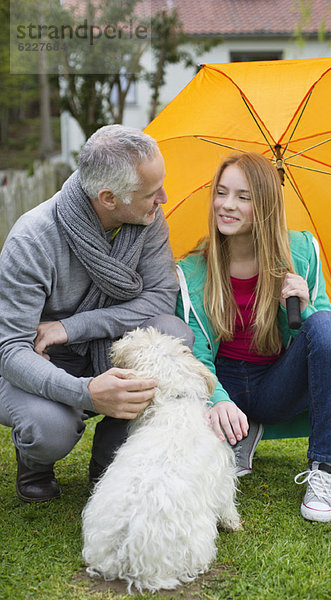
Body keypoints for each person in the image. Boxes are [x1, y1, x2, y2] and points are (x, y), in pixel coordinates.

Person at [0, 124, 193, 503]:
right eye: (153, 193)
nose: (164, 199)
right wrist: (86, 391)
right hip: (42, 363)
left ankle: (113, 443)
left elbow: (159, 297)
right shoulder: (32, 240)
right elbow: (11, 351)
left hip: (103, 346)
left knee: (172, 333)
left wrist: (71, 327)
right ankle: (34, 460)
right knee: (50, 429)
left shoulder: (147, 220)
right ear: (108, 198)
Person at [176, 152, 331, 522]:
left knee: (329, 325)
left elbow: (321, 342)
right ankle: (238, 430)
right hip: (223, 385)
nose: (226, 205)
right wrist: (219, 400)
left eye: (243, 196)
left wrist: (304, 307)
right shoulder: (192, 269)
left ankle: (323, 469)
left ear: (267, 204)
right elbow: (196, 355)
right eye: (221, 193)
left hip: (276, 386)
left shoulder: (301, 252)